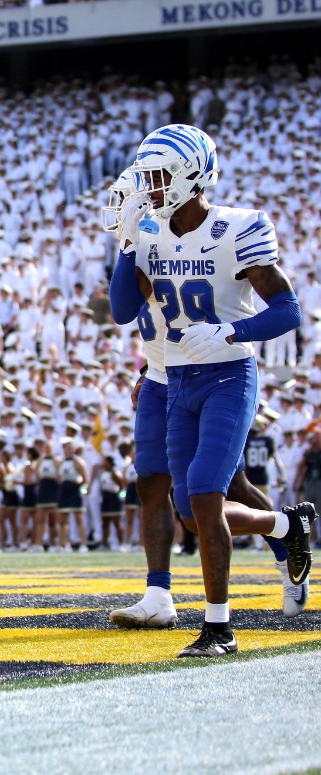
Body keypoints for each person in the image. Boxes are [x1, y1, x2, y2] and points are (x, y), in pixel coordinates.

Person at [107, 125, 313, 657]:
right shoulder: (149, 232)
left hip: (227, 371)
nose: (146, 188)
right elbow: (125, 310)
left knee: (205, 494)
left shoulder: (237, 227)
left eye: (157, 178)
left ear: (191, 177)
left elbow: (288, 310)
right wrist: (127, 245)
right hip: (170, 376)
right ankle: (285, 527)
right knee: (187, 500)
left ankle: (220, 625)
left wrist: (230, 330)